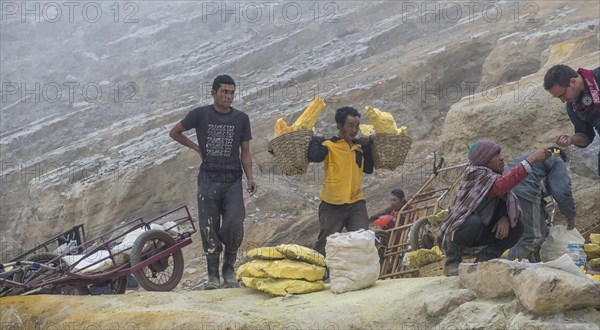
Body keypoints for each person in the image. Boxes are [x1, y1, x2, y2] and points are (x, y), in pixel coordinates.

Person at [169, 75, 257, 289]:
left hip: (233, 180)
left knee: (234, 222)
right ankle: (212, 276)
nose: (228, 96)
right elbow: (175, 132)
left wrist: (250, 177)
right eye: (224, 92)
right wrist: (195, 147)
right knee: (208, 226)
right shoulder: (201, 114)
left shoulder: (241, 118)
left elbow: (245, 151)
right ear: (213, 92)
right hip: (208, 179)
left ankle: (228, 269)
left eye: (232, 92)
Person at [437, 139, 551, 276]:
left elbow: (501, 198)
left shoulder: (493, 176)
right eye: (495, 155)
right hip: (462, 229)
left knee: (517, 228)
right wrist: (531, 159)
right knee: (473, 221)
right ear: (484, 159)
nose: (501, 158)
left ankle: (484, 261)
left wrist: (504, 218)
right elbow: (499, 187)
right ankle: (452, 262)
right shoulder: (474, 173)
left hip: (483, 229)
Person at [308, 106, 374, 257]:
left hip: (356, 202)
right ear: (339, 125)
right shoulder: (330, 146)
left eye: (357, 126)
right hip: (332, 205)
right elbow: (314, 156)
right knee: (326, 246)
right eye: (350, 126)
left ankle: (362, 276)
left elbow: (369, 168)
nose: (354, 130)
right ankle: (321, 275)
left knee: (363, 239)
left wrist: (368, 147)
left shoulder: (358, 148)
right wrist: (317, 139)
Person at [507, 147, 577, 262]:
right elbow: (562, 192)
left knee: (531, 233)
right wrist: (570, 216)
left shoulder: (526, 158)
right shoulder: (556, 160)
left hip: (508, 192)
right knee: (532, 237)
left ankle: (532, 267)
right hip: (525, 193)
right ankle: (511, 270)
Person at [543, 64, 600, 175]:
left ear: (573, 82)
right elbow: (586, 136)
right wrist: (571, 140)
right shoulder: (572, 107)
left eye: (562, 95)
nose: (563, 101)